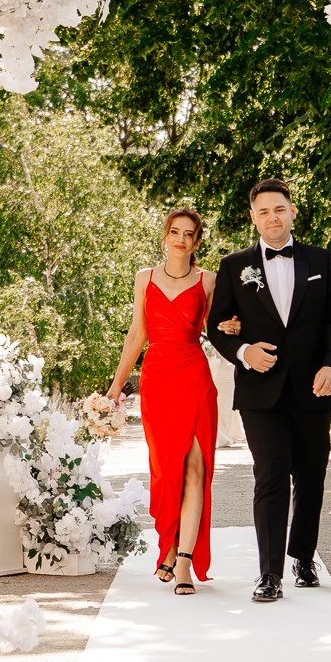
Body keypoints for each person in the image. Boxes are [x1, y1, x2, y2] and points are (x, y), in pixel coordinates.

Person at [206, 179, 331, 603]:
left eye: (280, 209)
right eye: (264, 211)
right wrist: (243, 351)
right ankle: (268, 574)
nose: (273, 217)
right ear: (253, 218)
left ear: (292, 212)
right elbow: (217, 327)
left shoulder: (321, 260)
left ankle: (303, 557)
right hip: (260, 391)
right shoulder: (235, 265)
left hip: (314, 386)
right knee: (269, 476)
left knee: (310, 476)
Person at [106, 208, 219, 594]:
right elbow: (137, 334)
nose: (181, 239)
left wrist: (235, 326)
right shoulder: (144, 279)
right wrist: (117, 386)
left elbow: (220, 329)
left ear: (197, 242)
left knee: (194, 468)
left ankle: (184, 560)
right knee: (166, 472)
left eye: (189, 234)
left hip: (195, 378)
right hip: (157, 382)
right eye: (175, 232)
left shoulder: (208, 282)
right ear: (164, 237)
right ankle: (168, 546)